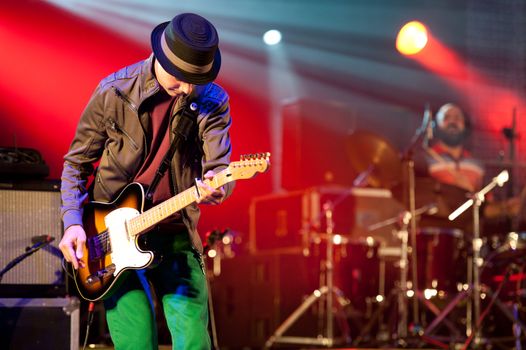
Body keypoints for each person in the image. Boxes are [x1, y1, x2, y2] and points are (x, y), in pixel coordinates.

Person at [58, 13, 233, 349]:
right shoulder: (114, 91)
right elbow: (76, 164)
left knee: (194, 341)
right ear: (160, 57)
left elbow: (219, 167)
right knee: (136, 340)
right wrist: (72, 223)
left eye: (197, 79)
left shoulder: (212, 100)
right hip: (111, 239)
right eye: (181, 78)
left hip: (175, 234)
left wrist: (217, 185)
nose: (189, 88)